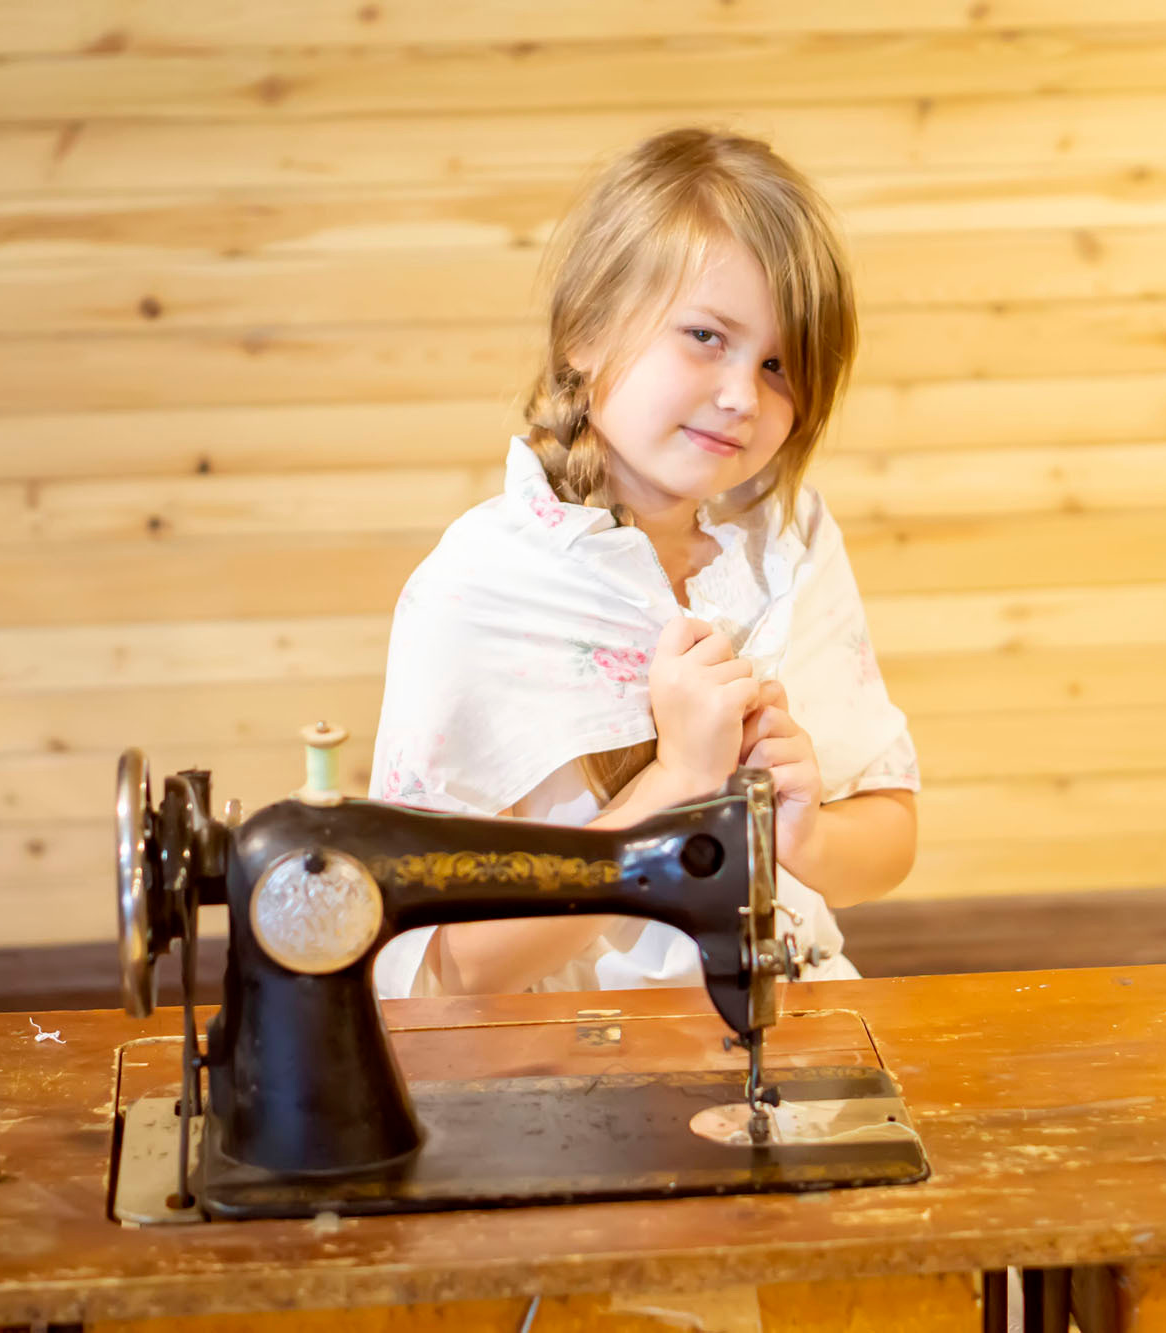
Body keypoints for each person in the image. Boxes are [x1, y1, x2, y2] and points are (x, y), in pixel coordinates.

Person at [369, 126, 919, 999]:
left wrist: (806, 831)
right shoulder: (477, 587)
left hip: (797, 1014)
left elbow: (887, 838)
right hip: (574, 1069)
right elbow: (457, 966)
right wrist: (680, 780)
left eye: (779, 363)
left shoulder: (788, 541)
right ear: (586, 331)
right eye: (705, 335)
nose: (742, 394)